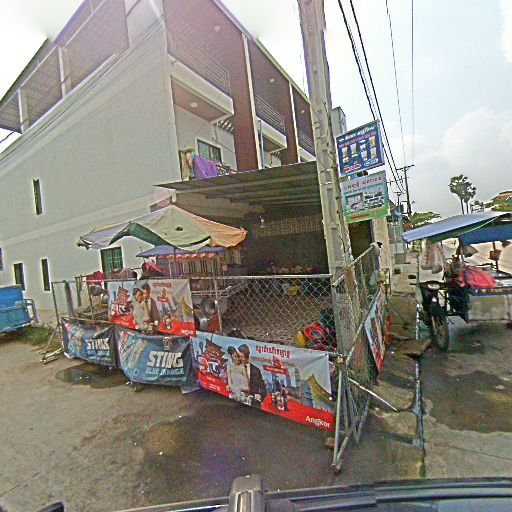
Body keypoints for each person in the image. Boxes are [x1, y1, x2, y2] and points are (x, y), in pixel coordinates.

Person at [238, 344, 267, 408]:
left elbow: (263, 388)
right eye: (238, 356)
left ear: (247, 357)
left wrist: (260, 395)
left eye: (241, 357)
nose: (239, 359)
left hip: (252, 403)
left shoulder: (256, 370)